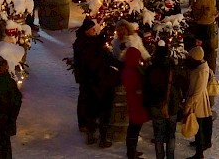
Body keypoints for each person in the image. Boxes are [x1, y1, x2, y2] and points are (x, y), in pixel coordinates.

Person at [72, 19, 116, 146]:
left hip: (91, 78)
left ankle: (89, 129)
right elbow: (92, 58)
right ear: (86, 31)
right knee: (91, 104)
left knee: (90, 104)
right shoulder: (82, 44)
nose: (94, 31)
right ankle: (89, 128)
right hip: (90, 79)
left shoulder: (88, 41)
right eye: (92, 29)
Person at [142, 46, 182, 159]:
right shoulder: (173, 68)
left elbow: (147, 88)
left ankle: (159, 157)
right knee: (171, 135)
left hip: (156, 106)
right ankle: (170, 157)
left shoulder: (151, 69)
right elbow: (181, 83)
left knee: (158, 136)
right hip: (172, 106)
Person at [121, 27, 149, 159]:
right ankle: (131, 153)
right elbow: (136, 87)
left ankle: (131, 151)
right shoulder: (132, 72)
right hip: (136, 103)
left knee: (134, 128)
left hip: (134, 103)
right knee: (134, 129)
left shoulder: (129, 69)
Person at [182, 45, 214, 159]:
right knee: (203, 122)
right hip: (200, 100)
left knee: (198, 125)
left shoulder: (201, 71)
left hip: (198, 102)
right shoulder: (202, 67)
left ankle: (199, 153)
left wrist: (188, 104)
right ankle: (204, 143)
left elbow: (197, 92)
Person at [188, 0, 218, 69]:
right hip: (211, 24)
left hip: (202, 25)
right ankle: (211, 66)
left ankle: (203, 64)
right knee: (210, 48)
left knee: (202, 46)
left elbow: (196, 12)